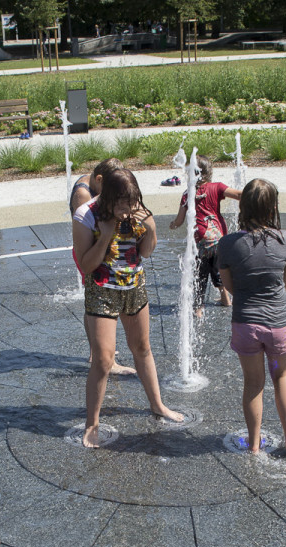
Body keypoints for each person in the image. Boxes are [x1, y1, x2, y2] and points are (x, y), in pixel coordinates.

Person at [73, 168, 183, 448]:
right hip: (102, 291)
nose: (128, 209)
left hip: (134, 288)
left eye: (132, 202)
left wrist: (151, 227)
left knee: (142, 348)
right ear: (108, 198)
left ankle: (158, 405)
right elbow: (86, 265)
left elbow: (146, 251)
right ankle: (92, 424)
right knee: (102, 359)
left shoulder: (138, 211)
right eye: (122, 204)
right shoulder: (86, 215)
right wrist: (106, 234)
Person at [218, 179, 286, 455]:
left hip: (245, 323)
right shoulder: (284, 239)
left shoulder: (228, 244)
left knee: (253, 383)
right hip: (279, 322)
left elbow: (229, 286)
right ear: (273, 207)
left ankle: (254, 445)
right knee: (282, 376)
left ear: (242, 206)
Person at [72, 159, 135, 376]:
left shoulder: (89, 182)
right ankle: (103, 356)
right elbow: (89, 223)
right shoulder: (84, 195)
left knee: (95, 302)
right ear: (100, 181)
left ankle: (97, 353)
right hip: (91, 249)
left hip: (99, 247)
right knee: (98, 301)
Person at [168, 155, 242, 315]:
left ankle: (199, 308)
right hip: (219, 238)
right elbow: (239, 194)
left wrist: (173, 225)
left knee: (200, 274)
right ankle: (226, 299)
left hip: (200, 239)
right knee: (218, 268)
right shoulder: (217, 187)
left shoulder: (187, 194)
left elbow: (180, 220)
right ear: (209, 173)